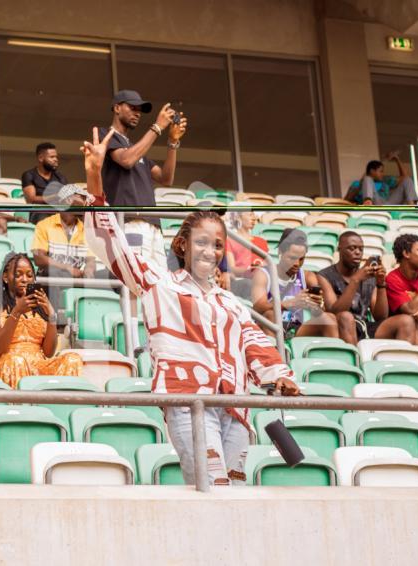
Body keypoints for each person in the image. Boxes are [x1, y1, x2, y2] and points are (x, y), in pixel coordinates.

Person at [83, 127, 298, 487]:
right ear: (181, 246)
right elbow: (112, 247)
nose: (210, 252)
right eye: (201, 242)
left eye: (217, 245)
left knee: (234, 495)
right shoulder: (158, 283)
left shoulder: (230, 301)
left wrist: (281, 379)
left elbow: (255, 344)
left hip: (238, 412)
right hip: (189, 406)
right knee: (213, 490)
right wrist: (94, 179)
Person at [99, 90, 187, 267]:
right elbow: (126, 160)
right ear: (117, 108)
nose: (137, 113)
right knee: (136, 285)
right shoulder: (105, 135)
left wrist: (172, 142)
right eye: (132, 107)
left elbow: (166, 178)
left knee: (157, 287)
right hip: (129, 222)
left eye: (139, 110)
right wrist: (157, 127)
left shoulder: (136, 148)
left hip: (153, 225)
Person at [0, 253, 82, 388]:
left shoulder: (40, 307)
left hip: (39, 366)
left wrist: (51, 316)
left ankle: (59, 407)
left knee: (72, 359)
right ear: (5, 277)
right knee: (17, 361)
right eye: (18, 275)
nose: (25, 279)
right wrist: (17, 312)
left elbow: (48, 352)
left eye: (29, 275)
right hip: (10, 365)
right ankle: (21, 409)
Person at [317, 231, 416, 345]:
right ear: (340, 249)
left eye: (361, 249)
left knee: (406, 321)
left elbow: (380, 316)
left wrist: (380, 284)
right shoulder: (324, 275)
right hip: (342, 326)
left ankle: (401, 362)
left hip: (365, 326)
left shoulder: (368, 277)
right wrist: (356, 280)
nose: (358, 252)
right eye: (352, 248)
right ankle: (355, 360)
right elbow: (334, 312)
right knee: (346, 317)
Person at [251, 229, 339, 339]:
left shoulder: (308, 277)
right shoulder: (263, 274)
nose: (297, 264)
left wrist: (316, 306)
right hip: (268, 325)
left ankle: (331, 354)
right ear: (280, 252)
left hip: (295, 328)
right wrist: (290, 303)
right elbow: (258, 307)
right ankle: (275, 354)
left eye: (301, 259)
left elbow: (318, 312)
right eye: (292, 258)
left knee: (329, 319)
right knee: (270, 314)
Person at [31, 184, 97, 317]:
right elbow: (39, 259)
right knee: (52, 271)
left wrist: (90, 269)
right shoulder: (44, 225)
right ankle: (52, 321)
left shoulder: (86, 229)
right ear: (67, 200)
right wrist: (67, 268)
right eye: (82, 198)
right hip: (51, 277)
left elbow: (91, 260)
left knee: (113, 275)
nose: (86, 203)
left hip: (76, 278)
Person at [224, 205, 268, 298]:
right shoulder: (230, 240)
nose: (254, 218)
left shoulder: (261, 241)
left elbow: (267, 265)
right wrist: (249, 271)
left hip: (260, 280)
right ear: (238, 217)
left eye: (254, 215)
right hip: (241, 280)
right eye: (250, 215)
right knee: (249, 285)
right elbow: (232, 268)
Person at [344, 151, 418, 205]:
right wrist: (360, 186)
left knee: (408, 180)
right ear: (372, 171)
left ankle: (411, 206)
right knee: (367, 179)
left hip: (387, 205)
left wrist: (397, 159)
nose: (383, 174)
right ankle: (368, 202)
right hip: (374, 205)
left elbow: (405, 177)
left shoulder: (385, 181)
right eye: (381, 171)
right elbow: (346, 200)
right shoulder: (357, 184)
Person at [21, 142, 68, 224]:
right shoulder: (29, 175)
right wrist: (54, 197)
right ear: (40, 158)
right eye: (52, 157)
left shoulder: (60, 177)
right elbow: (31, 199)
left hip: (59, 211)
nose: (56, 159)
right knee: (45, 219)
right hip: (39, 212)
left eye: (56, 157)